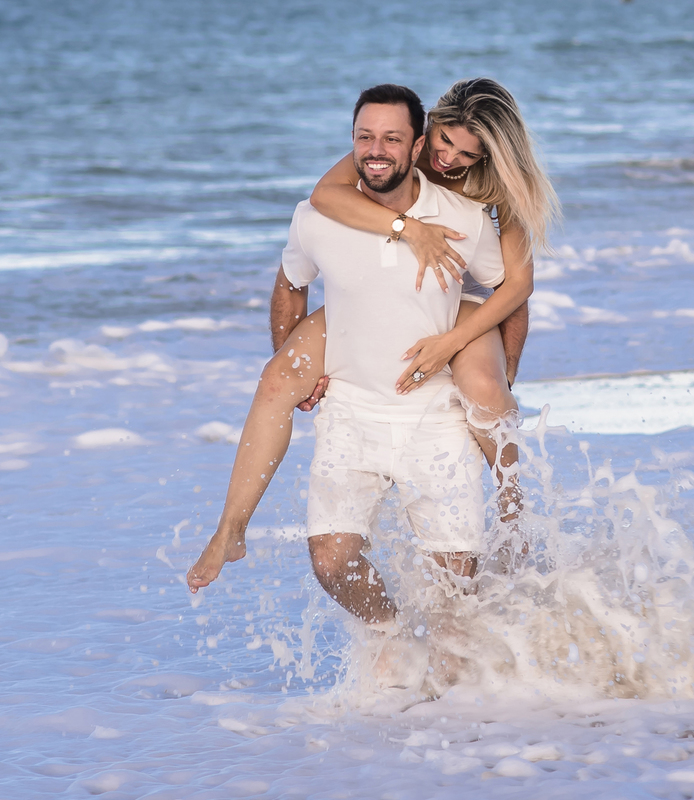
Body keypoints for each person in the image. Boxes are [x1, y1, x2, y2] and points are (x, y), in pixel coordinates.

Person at [186, 78, 559, 596]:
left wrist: (485, 358)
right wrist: (408, 227)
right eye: (443, 142)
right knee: (279, 378)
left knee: (484, 386)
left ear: (487, 156)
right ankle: (231, 528)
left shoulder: (492, 198)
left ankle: (512, 509)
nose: (447, 159)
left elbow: (517, 289)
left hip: (467, 297)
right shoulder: (393, 150)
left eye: (465, 153)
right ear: (426, 133)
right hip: (383, 287)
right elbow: (323, 198)